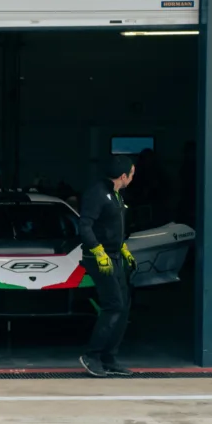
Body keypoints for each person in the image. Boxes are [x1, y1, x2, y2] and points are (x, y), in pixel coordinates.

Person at [78, 155, 137, 378]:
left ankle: (109, 357)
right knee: (113, 305)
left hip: (114, 255)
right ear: (124, 176)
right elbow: (85, 226)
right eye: (132, 173)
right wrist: (97, 250)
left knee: (124, 306)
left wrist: (122, 247)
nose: (133, 177)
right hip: (99, 258)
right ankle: (91, 356)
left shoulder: (116, 195)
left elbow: (111, 226)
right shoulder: (97, 193)